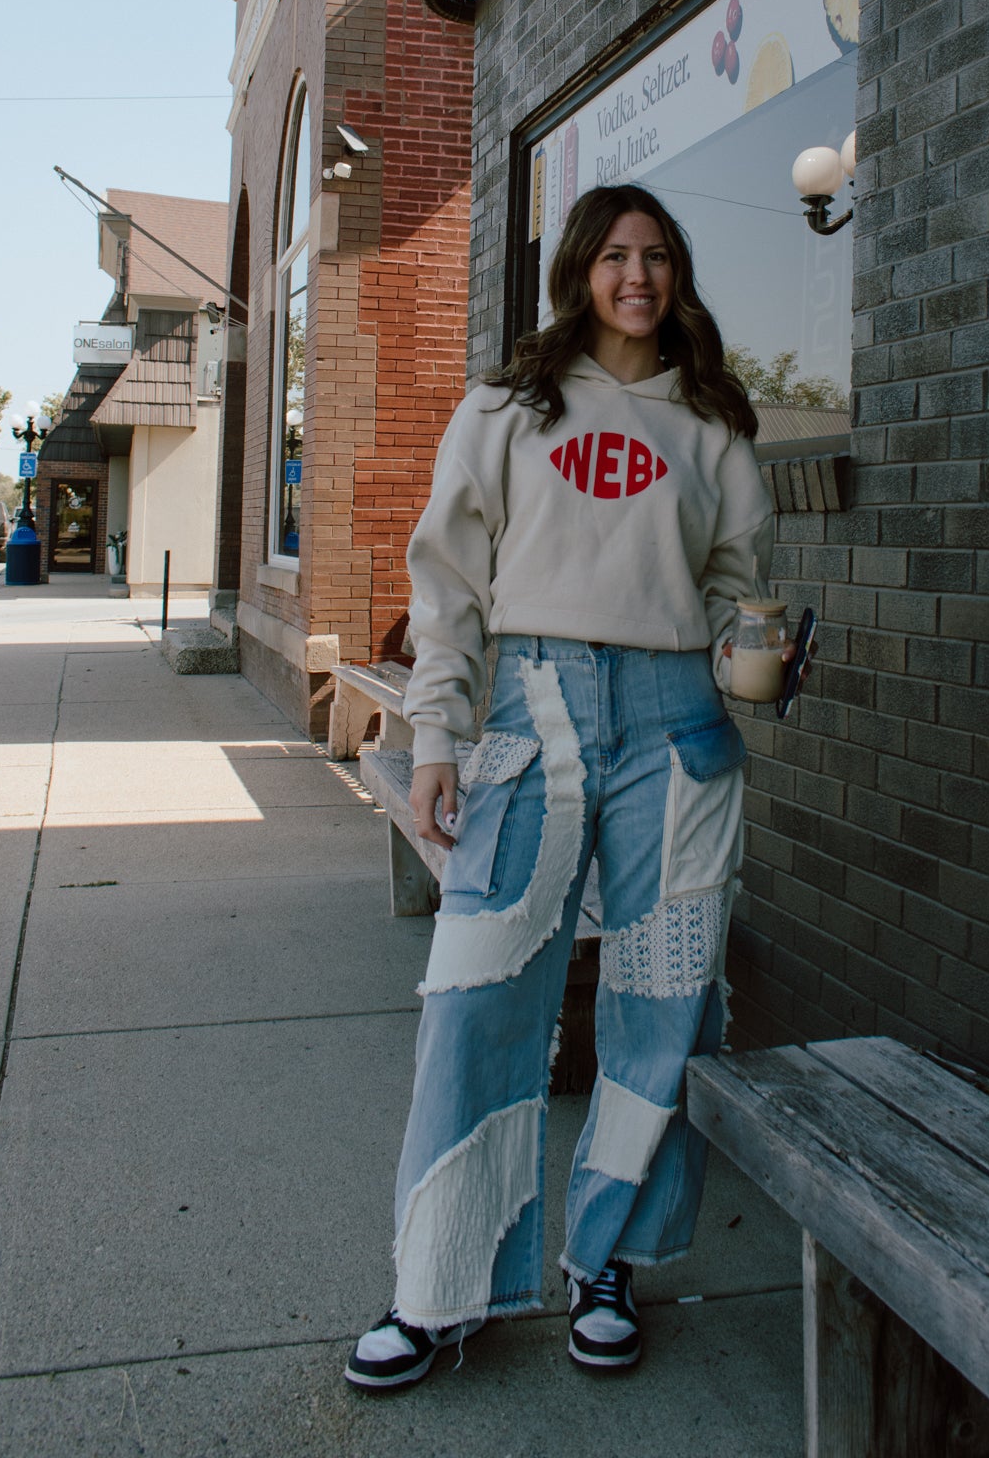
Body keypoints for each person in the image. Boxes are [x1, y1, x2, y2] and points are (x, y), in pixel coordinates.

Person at [346, 182, 794, 1391]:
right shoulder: (507, 404)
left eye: (656, 256)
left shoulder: (711, 421)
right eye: (614, 255)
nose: (635, 276)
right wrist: (436, 735)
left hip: (674, 723)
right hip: (532, 708)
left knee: (665, 994)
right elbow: (447, 583)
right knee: (479, 986)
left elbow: (732, 586)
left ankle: (614, 1260)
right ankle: (440, 1285)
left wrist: (757, 660)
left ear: (677, 275)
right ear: (580, 271)